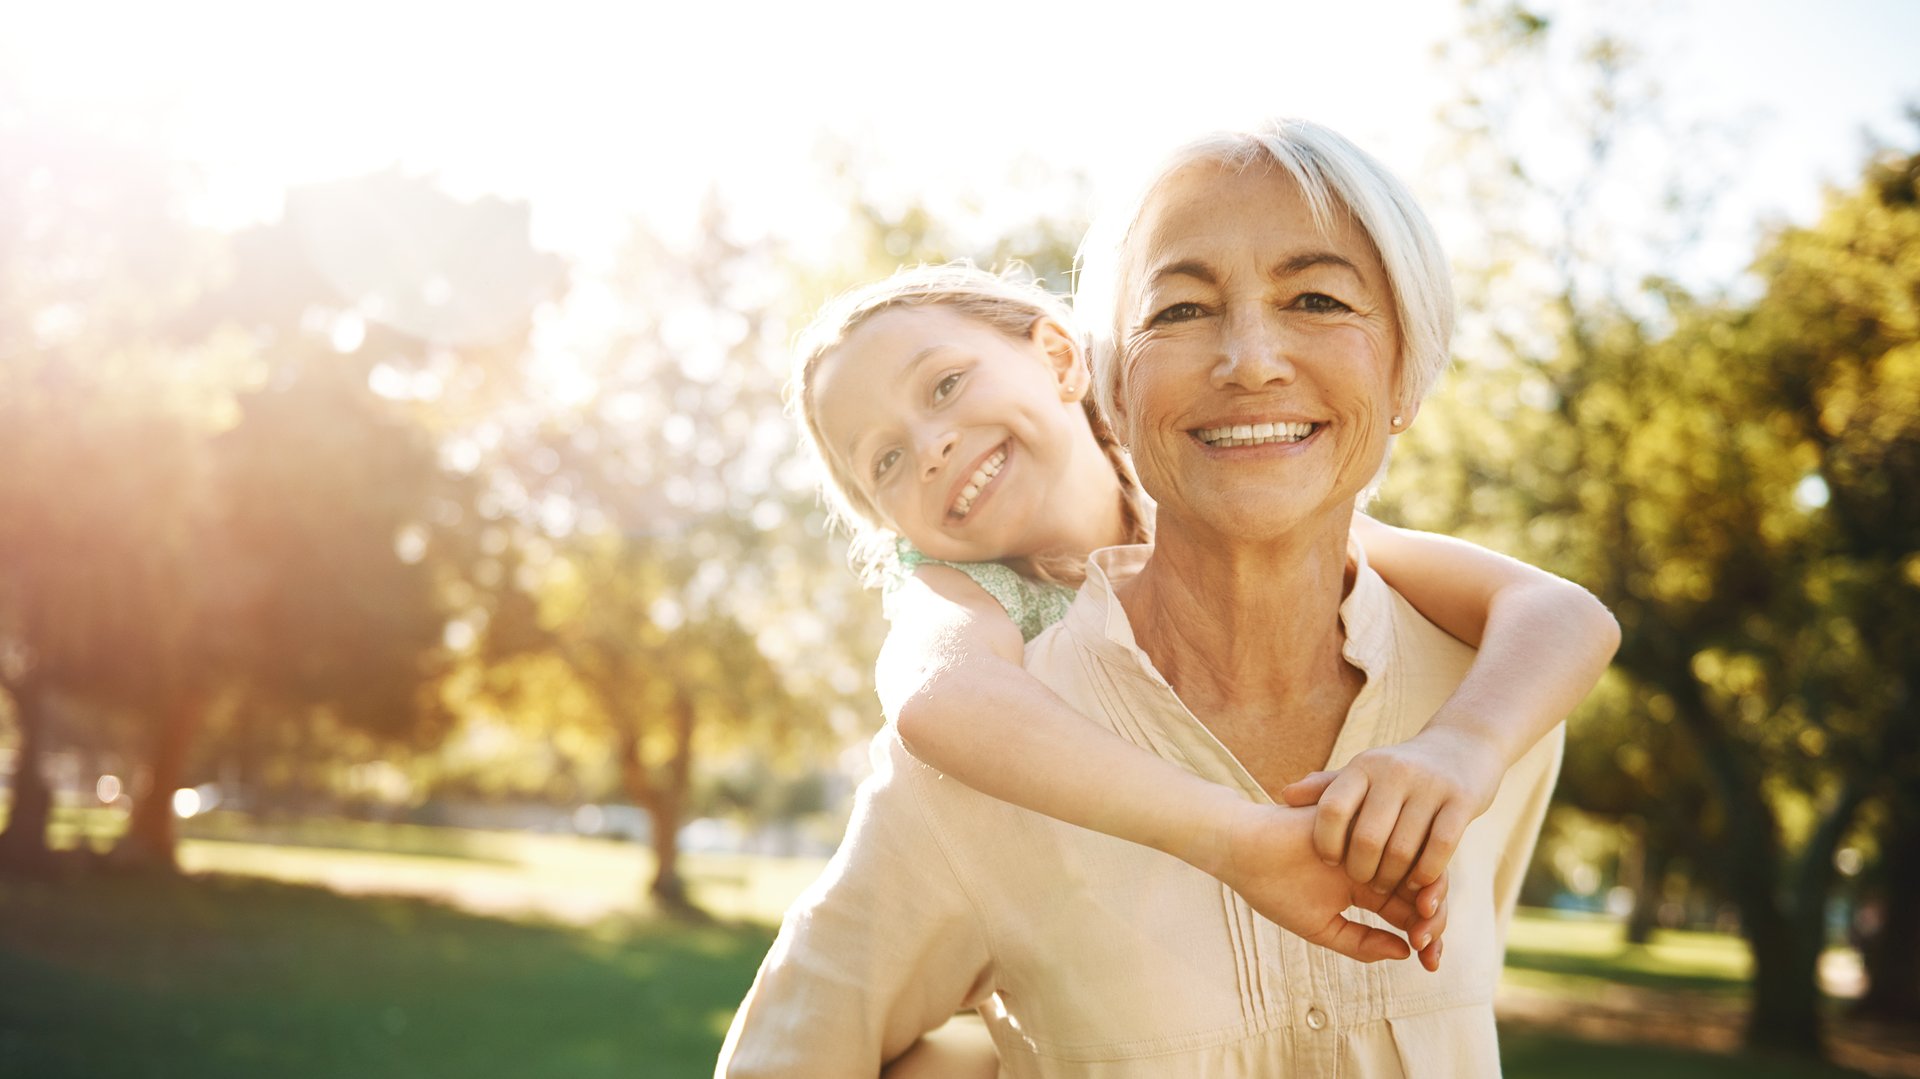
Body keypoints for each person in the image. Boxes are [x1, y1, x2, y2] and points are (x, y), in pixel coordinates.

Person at [719, 120, 1604, 1075]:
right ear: (1118, 376)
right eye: (1180, 311)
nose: (1252, 361)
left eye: (1316, 297)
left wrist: (1465, 746)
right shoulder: (968, 677)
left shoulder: (1484, 691)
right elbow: (937, 700)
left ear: (1068, 365)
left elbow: (1563, 612)